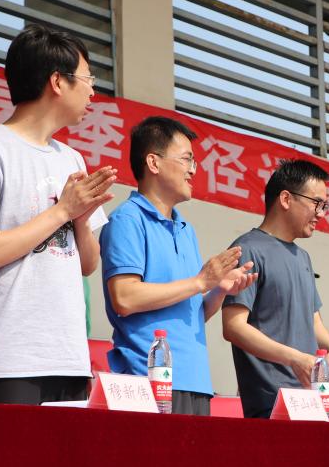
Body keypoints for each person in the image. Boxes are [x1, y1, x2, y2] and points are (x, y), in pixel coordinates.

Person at [0, 24, 117, 405]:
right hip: (8, 358)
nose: (93, 92)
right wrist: (63, 210)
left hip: (69, 356)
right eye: (88, 79)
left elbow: (88, 264)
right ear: (57, 82)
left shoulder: (72, 159)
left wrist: (80, 218)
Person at [100, 116, 257, 416]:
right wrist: (200, 282)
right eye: (186, 159)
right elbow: (125, 297)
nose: (193, 170)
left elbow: (190, 314)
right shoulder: (127, 220)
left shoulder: (186, 230)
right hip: (149, 381)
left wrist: (218, 290)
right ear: (154, 163)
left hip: (196, 382)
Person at [221, 159, 329, 418]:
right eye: (317, 203)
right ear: (286, 199)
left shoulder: (303, 258)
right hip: (271, 405)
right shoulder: (248, 249)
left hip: (311, 401)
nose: (321, 213)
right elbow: (233, 327)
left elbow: (314, 321)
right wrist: (294, 358)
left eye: (324, 205)